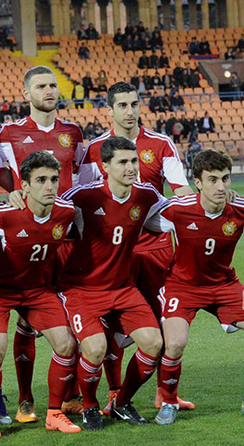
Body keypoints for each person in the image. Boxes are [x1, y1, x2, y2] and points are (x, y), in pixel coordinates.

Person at [78, 82, 195, 414]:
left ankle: (165, 394)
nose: (129, 111)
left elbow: (180, 187)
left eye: (134, 103)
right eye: (123, 105)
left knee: (167, 323)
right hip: (116, 253)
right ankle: (115, 393)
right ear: (110, 110)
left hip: (157, 249)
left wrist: (199, 209)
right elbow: (84, 196)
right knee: (112, 326)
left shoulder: (161, 143)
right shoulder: (95, 149)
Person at [149, 149, 244, 424]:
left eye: (225, 178)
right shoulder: (178, 208)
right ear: (197, 182)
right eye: (212, 180)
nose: (221, 186)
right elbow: (142, 224)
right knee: (174, 343)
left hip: (225, 286)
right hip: (182, 286)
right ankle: (169, 401)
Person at [0, 65, 85, 422]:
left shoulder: (73, 132)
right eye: (41, 86)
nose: (49, 91)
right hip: (26, 235)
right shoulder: (9, 133)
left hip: (64, 236)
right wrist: (12, 192)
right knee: (27, 322)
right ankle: (26, 399)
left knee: (73, 318)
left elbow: (82, 177)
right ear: (26, 93)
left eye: (53, 85)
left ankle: (72, 395)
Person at [60, 136, 167, 428]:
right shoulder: (82, 196)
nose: (131, 167)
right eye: (122, 162)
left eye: (134, 161)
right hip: (83, 290)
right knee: (94, 349)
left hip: (123, 289)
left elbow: (179, 214)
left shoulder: (146, 196)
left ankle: (121, 403)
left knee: (154, 343)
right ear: (104, 166)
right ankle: (90, 406)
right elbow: (45, 213)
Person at [0, 151, 81, 438]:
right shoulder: (5, 213)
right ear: (26, 185)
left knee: (67, 344)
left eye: (54, 179)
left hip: (37, 292)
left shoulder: (67, 213)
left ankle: (55, 413)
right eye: (41, 180)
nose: (49, 186)